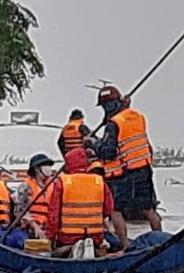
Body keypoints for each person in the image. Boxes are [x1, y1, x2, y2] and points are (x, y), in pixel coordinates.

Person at [89, 86, 163, 231]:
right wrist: (125, 106)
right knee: (149, 209)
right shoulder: (138, 117)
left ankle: (124, 245)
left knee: (116, 211)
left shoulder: (113, 125)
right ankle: (160, 240)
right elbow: (123, 123)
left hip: (126, 173)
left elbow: (109, 152)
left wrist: (94, 144)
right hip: (144, 169)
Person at [42, 147, 129, 257]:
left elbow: (54, 214)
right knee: (109, 245)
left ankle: (74, 250)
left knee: (55, 253)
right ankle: (94, 250)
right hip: (95, 235)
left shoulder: (62, 182)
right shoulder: (99, 181)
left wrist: (51, 236)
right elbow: (108, 208)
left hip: (68, 236)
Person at [18, 153, 58, 237]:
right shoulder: (26, 186)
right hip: (31, 230)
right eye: (45, 165)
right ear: (36, 168)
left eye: (49, 165)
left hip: (49, 229)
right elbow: (21, 210)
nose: (48, 167)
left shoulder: (54, 184)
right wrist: (35, 227)